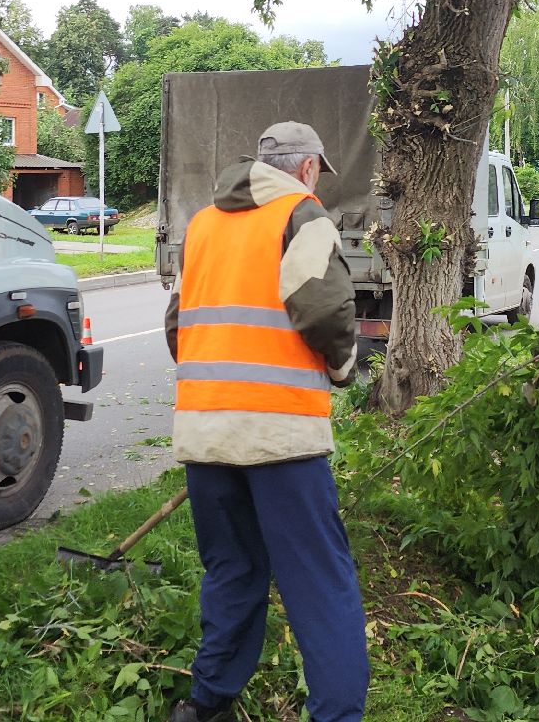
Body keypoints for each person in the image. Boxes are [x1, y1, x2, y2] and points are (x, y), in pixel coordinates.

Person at [162, 121, 365, 722]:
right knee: (319, 584)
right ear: (306, 169)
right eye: (318, 174)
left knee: (233, 570)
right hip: (282, 438)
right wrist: (345, 367)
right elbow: (325, 311)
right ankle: (336, 715)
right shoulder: (302, 216)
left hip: (206, 435)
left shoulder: (201, 224)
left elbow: (179, 325)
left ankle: (207, 704)